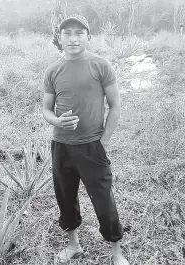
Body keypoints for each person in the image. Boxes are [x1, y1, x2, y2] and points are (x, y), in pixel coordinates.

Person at [42, 14, 129, 265]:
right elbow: (47, 109)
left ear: (88, 37)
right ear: (59, 38)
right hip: (62, 147)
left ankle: (116, 252)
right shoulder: (53, 71)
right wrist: (56, 121)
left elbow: (115, 106)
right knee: (65, 197)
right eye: (67, 33)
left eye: (79, 33)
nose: (73, 38)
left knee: (103, 199)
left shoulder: (101, 66)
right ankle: (73, 245)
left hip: (93, 146)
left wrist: (104, 141)